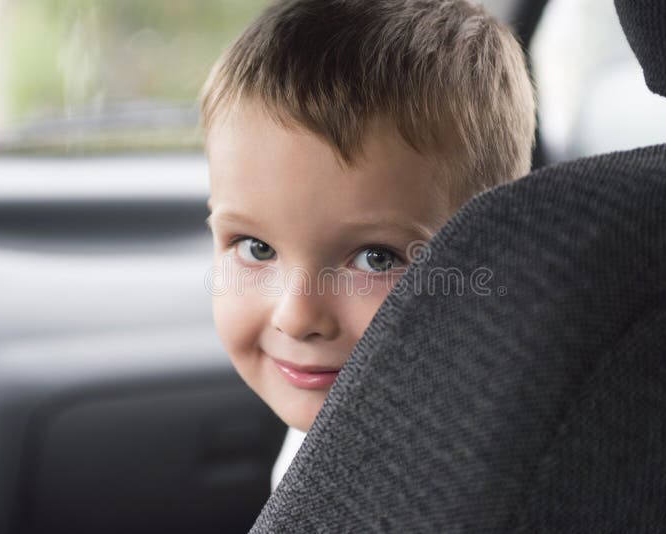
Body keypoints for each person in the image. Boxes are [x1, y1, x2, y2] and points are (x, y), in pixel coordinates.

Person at [199, 0, 535, 489]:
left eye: (376, 259)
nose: (295, 317)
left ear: (497, 256)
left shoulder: (466, 484)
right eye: (255, 247)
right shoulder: (330, 437)